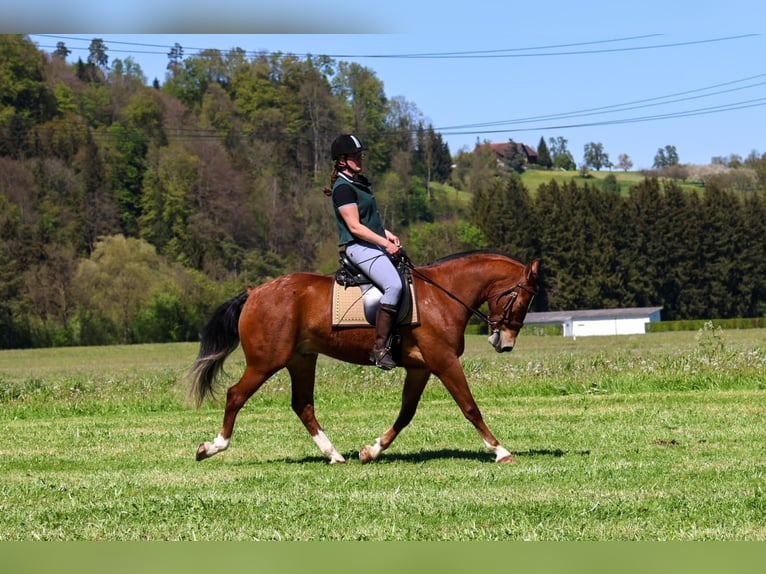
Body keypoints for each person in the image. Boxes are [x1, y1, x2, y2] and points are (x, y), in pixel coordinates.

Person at [324, 134, 402, 370]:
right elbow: (355, 227)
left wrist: (385, 233)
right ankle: (379, 349)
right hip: (358, 247)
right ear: (341, 161)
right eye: (355, 155)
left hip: (373, 243)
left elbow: (368, 220)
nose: (360, 159)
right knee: (394, 286)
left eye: (360, 154)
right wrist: (385, 244)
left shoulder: (359, 182)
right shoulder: (342, 189)